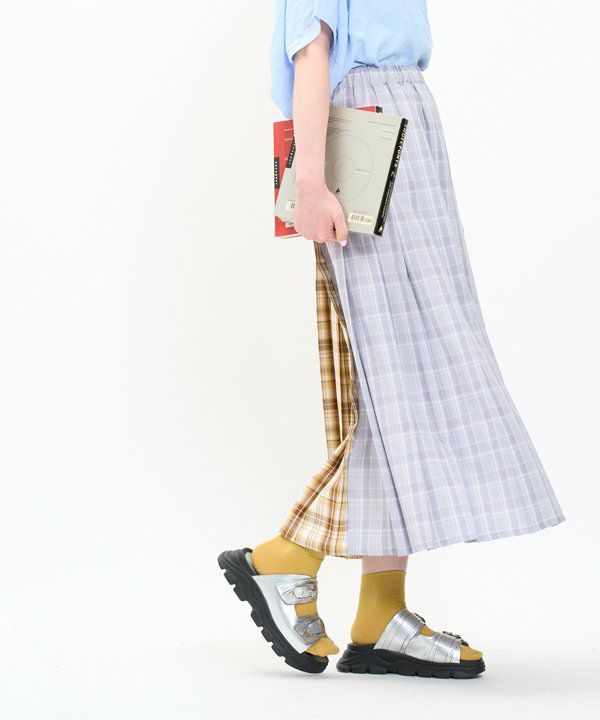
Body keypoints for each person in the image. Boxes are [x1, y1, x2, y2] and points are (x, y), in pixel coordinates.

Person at [218, 0, 565, 678]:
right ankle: (288, 556)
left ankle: (379, 609)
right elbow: (310, 49)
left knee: (404, 375)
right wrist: (310, 179)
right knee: (392, 380)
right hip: (363, 129)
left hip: (404, 125)